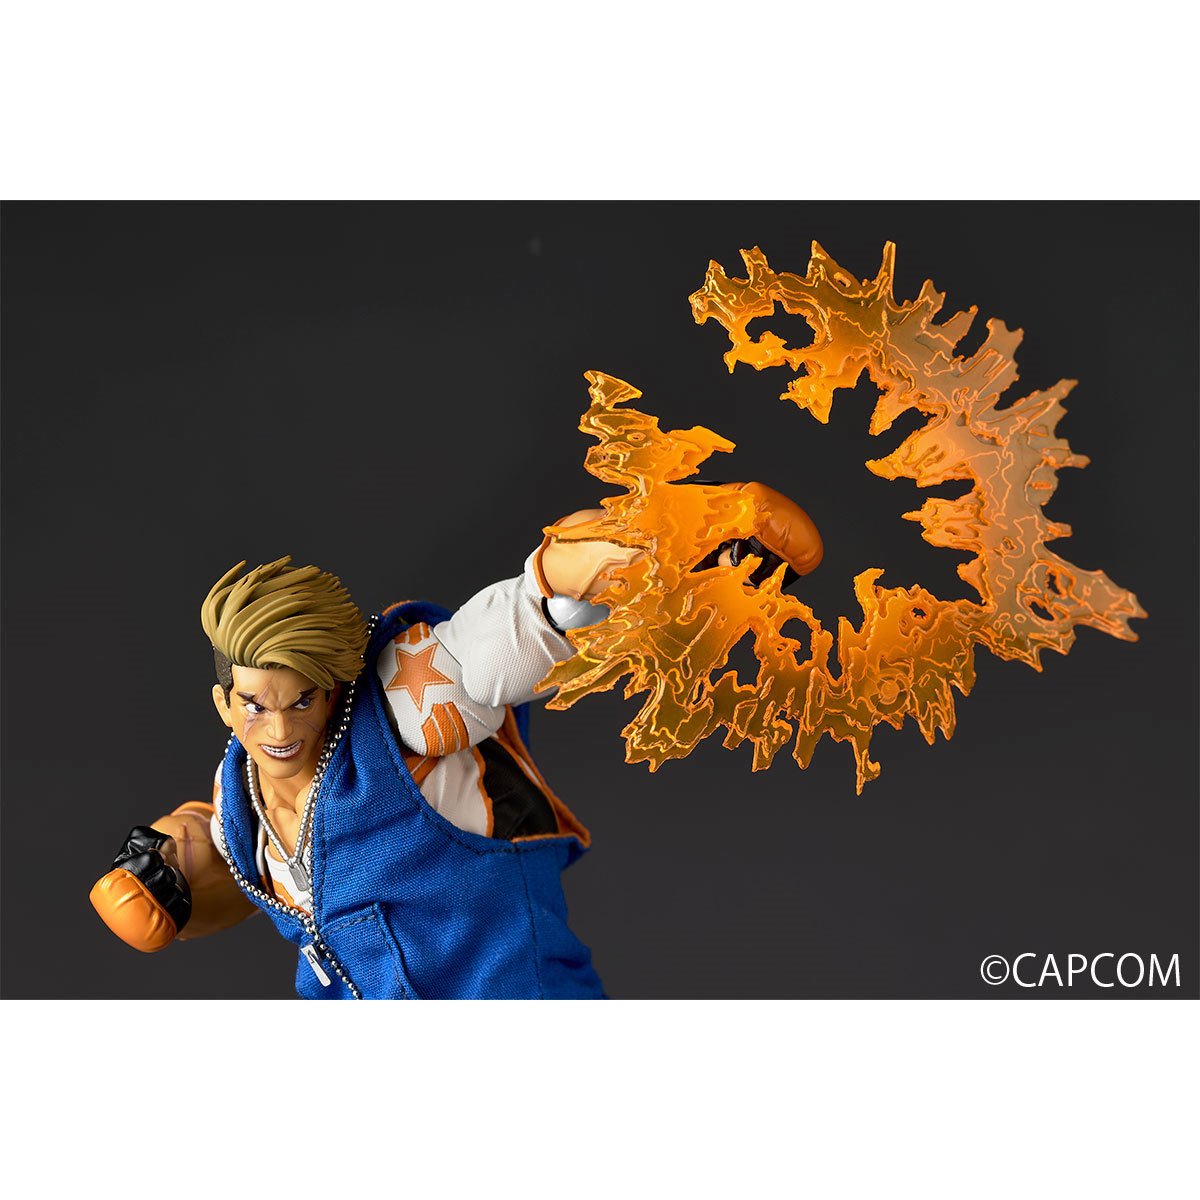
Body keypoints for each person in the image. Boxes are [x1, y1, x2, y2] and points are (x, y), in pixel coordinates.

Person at [90, 486, 823, 998]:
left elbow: (500, 640)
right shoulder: (238, 797)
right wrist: (160, 875)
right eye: (255, 707)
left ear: (333, 689)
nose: (278, 731)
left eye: (301, 702)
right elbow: (225, 859)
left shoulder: (405, 710)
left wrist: (628, 561)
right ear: (224, 704)